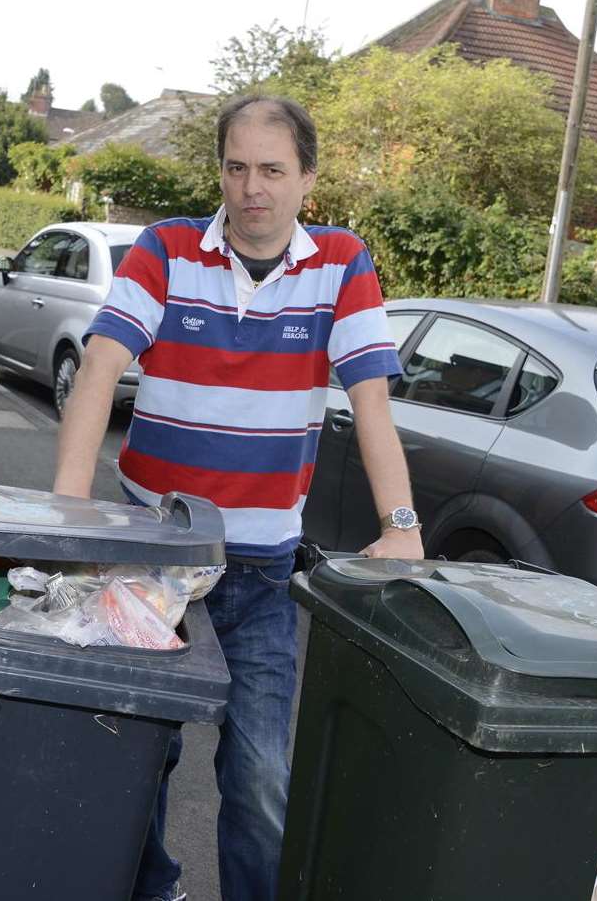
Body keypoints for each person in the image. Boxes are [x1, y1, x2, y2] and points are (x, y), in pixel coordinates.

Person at [52, 94, 424, 901]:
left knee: (258, 778)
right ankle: (152, 891)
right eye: (235, 167)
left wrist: (401, 527)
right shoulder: (166, 249)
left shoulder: (341, 263)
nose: (251, 188)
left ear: (306, 179)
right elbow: (100, 370)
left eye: (272, 170)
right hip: (152, 556)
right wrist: (69, 509)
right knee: (139, 755)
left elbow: (371, 406)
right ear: (219, 170)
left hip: (257, 574)